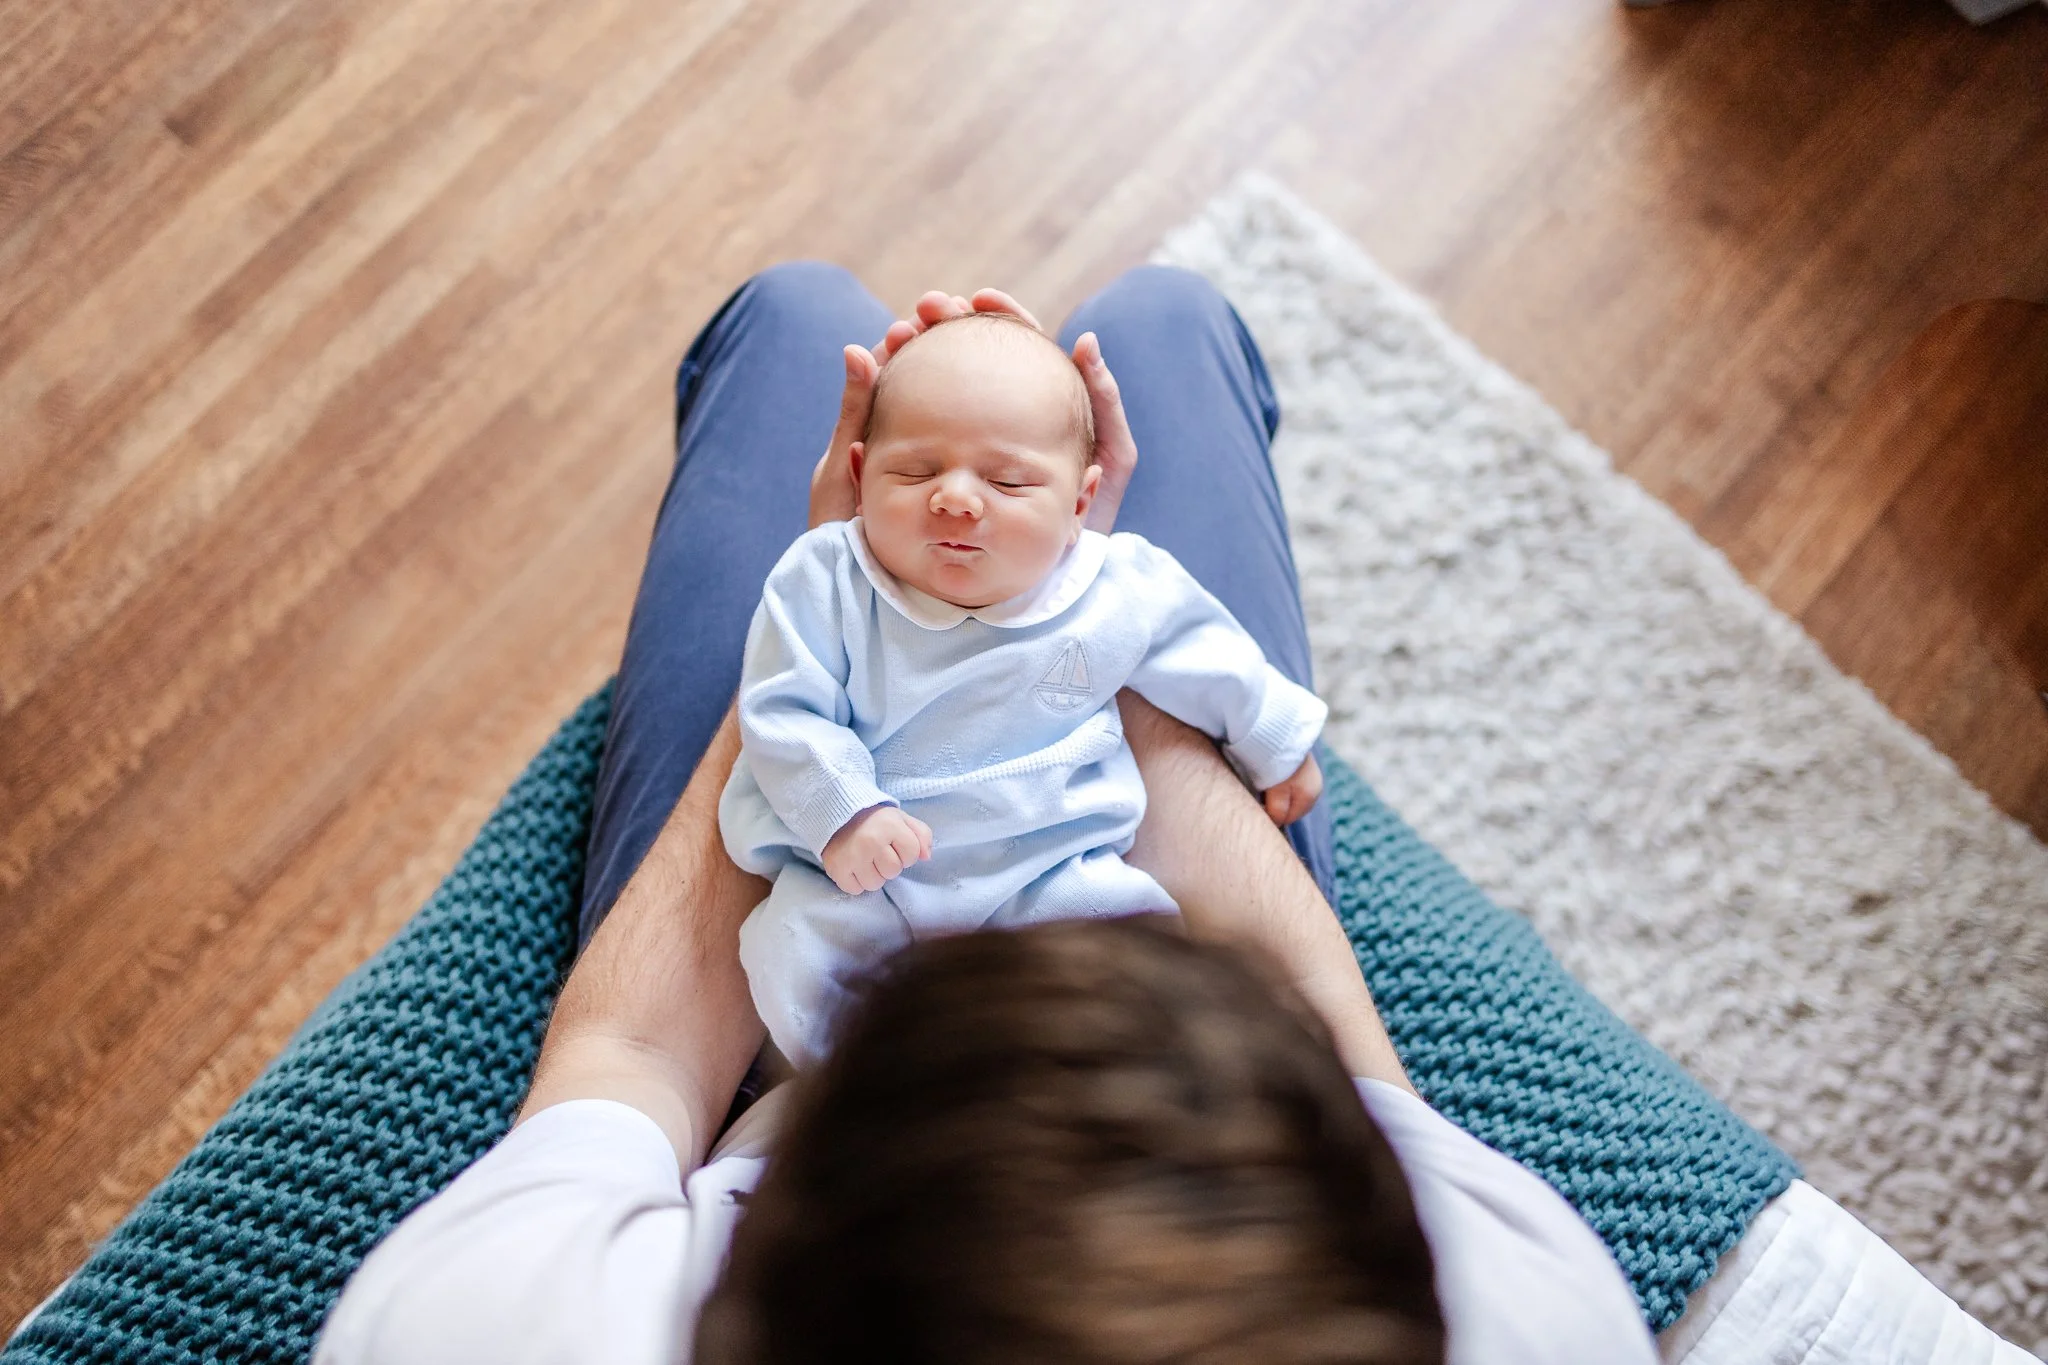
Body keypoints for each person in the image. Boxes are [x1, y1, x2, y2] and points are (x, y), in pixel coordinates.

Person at [312, 263, 1658, 1365]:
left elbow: (636, 1051)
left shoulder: (494, 1330)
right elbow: (1323, 1017)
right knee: (1175, 320)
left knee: (788, 315)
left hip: (817, 952)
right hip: (1115, 862)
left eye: (1007, 480)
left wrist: (849, 601)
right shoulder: (1524, 1321)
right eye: (940, 475)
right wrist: (1058, 614)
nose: (959, 497)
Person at [722, 309, 1328, 1065]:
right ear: (857, 474)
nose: (956, 499)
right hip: (876, 876)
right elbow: (781, 707)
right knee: (795, 950)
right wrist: (843, 813)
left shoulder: (1113, 584)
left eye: (1008, 480)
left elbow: (1206, 650)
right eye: (913, 471)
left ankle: (1097, 1075)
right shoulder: (826, 577)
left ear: (1080, 502)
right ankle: (866, 1087)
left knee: (1142, 953)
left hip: (1054, 865)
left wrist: (1274, 737)